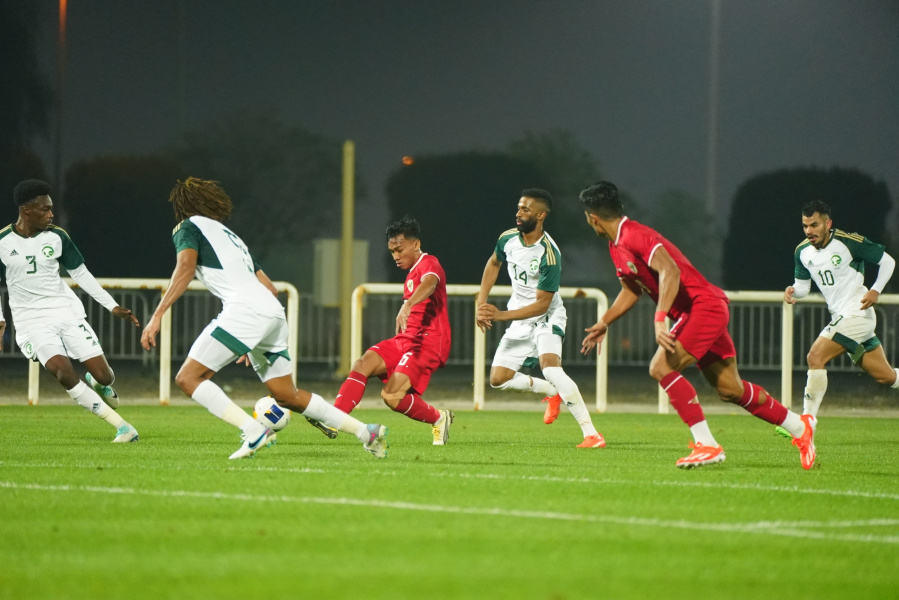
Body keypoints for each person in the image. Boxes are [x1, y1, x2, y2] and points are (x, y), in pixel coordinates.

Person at [140, 177, 387, 459]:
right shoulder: (231, 238)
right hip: (270, 312)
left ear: (183, 207)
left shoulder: (188, 227)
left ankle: (253, 430)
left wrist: (157, 314)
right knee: (287, 395)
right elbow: (270, 288)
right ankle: (365, 431)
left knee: (187, 378)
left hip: (246, 311)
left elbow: (185, 266)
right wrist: (252, 339)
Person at [579, 181, 817, 469]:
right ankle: (801, 428)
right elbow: (632, 290)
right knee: (731, 389)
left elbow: (670, 270)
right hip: (700, 310)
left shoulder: (634, 235)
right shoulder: (616, 246)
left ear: (592, 216)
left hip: (701, 307)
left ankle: (707, 445)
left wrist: (659, 318)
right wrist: (605, 321)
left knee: (660, 367)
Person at [0, 179, 140, 442]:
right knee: (62, 372)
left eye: (51, 208)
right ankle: (123, 427)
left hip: (65, 311)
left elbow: (81, 274)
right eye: (45, 209)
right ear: (26, 211)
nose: (51, 214)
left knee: (104, 375)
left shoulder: (57, 236)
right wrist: (0, 321)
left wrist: (111, 305)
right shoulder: (2, 242)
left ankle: (99, 383)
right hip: (31, 321)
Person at [308, 216, 454, 445]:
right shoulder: (411, 271)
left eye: (400, 249)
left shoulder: (429, 263)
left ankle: (439, 418)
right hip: (405, 339)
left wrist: (407, 304)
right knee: (363, 363)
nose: (395, 256)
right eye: (392, 251)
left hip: (427, 342)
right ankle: (334, 417)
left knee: (391, 397)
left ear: (416, 244)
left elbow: (430, 283)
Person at [476, 188, 605, 448]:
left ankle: (591, 434)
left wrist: (501, 315)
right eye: (519, 208)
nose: (519, 213)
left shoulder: (549, 254)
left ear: (541, 215)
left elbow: (542, 304)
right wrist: (482, 301)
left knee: (551, 367)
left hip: (547, 315)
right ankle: (550, 391)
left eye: (525, 210)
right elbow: (493, 263)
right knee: (498, 379)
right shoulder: (508, 238)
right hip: (520, 317)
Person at [784, 199, 898, 421]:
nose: (809, 231)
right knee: (886, 377)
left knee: (815, 356)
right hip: (843, 319)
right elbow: (803, 287)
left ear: (828, 224)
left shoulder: (849, 242)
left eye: (814, 225)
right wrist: (793, 291)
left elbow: (888, 262)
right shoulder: (802, 252)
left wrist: (875, 290)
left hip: (857, 314)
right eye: (805, 226)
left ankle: (806, 424)